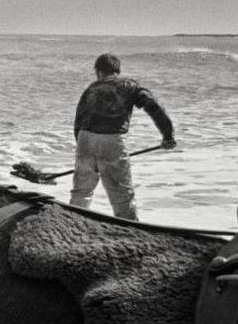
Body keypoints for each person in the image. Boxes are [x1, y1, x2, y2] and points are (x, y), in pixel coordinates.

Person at [70, 53, 176, 220]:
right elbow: (153, 106)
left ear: (98, 71)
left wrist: (84, 150)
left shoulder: (91, 88)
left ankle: (72, 221)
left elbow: (78, 121)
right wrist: (168, 135)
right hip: (111, 139)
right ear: (117, 70)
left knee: (81, 192)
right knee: (122, 195)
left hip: (85, 138)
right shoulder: (129, 85)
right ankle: (130, 226)